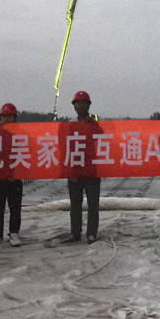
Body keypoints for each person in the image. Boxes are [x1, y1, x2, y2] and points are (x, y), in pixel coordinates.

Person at [63, 91, 101, 244]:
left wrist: (93, 124)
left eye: (84, 102)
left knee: (93, 205)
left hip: (91, 170)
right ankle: (75, 233)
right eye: (77, 102)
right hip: (75, 170)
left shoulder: (95, 123)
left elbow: (102, 137)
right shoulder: (70, 125)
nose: (80, 105)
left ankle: (91, 233)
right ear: (74, 106)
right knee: (75, 205)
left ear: (89, 105)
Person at [0, 103, 24, 248]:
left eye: (10, 116)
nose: (7, 119)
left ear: (15, 118)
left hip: (14, 175)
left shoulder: (19, 133)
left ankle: (14, 233)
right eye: (4, 116)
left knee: (15, 207)